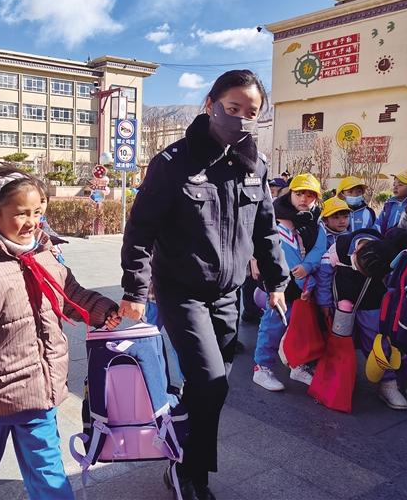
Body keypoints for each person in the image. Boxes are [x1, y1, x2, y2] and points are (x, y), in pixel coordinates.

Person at [119, 70, 289, 500]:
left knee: (210, 388)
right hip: (182, 291)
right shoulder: (173, 162)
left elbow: (266, 229)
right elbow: (140, 229)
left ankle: (183, 455)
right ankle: (188, 472)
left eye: (251, 112)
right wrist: (135, 290)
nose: (241, 119)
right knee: (210, 381)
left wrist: (276, 281)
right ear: (210, 104)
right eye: (233, 108)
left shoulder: (255, 166)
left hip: (228, 295)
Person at [0, 164, 120, 500]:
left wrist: (103, 311)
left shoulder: (44, 252)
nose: (32, 222)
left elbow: (69, 293)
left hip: (38, 393)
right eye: (21, 214)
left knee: (48, 474)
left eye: (38, 212)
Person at [253, 173, 326, 391]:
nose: (304, 198)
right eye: (299, 193)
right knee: (273, 326)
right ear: (291, 193)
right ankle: (262, 367)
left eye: (310, 195)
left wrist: (308, 268)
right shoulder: (274, 217)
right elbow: (268, 246)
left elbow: (319, 249)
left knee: (302, 328)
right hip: (279, 284)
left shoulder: (316, 223)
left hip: (305, 285)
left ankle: (298, 364)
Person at [374, 169, 407, 233]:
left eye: (400, 185)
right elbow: (378, 225)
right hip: (386, 238)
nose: (395, 187)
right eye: (394, 184)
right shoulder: (389, 205)